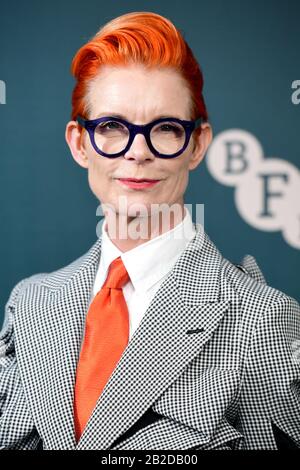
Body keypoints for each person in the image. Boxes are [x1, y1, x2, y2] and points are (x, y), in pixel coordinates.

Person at [0, 11, 299, 451]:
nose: (138, 152)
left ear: (196, 145)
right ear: (80, 144)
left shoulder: (262, 320)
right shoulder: (30, 303)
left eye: (165, 128)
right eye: (112, 127)